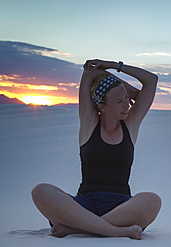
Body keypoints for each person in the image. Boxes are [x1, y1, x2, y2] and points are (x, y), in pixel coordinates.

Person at [31, 59, 161, 240]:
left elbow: (151, 80)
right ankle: (113, 230)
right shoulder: (89, 123)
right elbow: (89, 72)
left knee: (152, 200)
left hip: (122, 207)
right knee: (41, 190)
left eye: (126, 99)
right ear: (102, 106)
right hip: (83, 205)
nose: (127, 105)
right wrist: (120, 84)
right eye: (119, 101)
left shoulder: (130, 125)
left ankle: (79, 229)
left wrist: (115, 67)